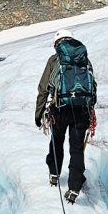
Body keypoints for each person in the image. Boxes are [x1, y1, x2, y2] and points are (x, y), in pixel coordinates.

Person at [35, 29, 96, 204]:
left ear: (57, 44)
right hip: (82, 110)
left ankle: (54, 174)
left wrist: (38, 114)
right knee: (76, 148)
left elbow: (43, 89)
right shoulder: (85, 60)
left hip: (60, 109)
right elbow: (93, 86)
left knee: (57, 141)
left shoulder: (55, 60)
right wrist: (89, 109)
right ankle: (74, 187)